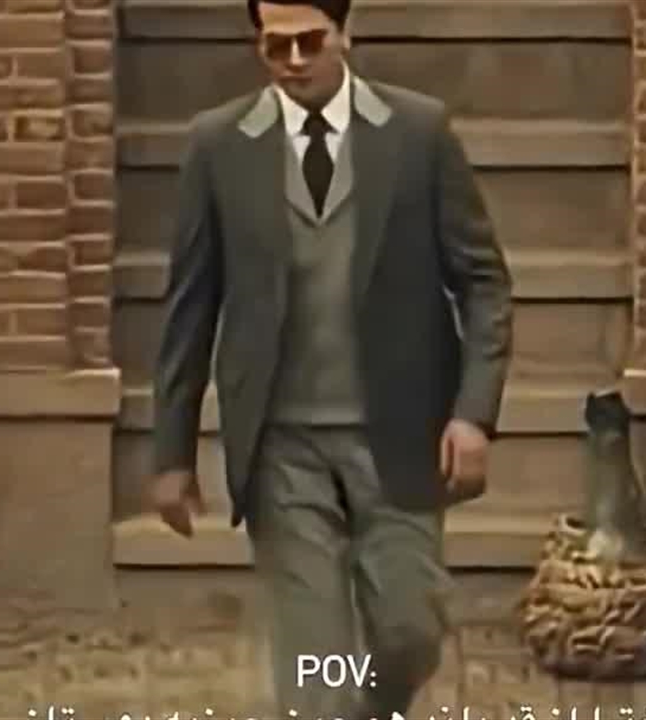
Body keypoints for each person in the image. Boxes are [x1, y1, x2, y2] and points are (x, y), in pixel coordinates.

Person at [145, 0, 513, 717]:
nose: (293, 62)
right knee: (316, 667)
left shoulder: (417, 133)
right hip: (280, 441)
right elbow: (191, 306)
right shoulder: (220, 145)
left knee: (409, 630)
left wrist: (473, 414)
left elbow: (484, 283)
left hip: (399, 433)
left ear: (345, 34)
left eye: (310, 42)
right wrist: (171, 454)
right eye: (274, 46)